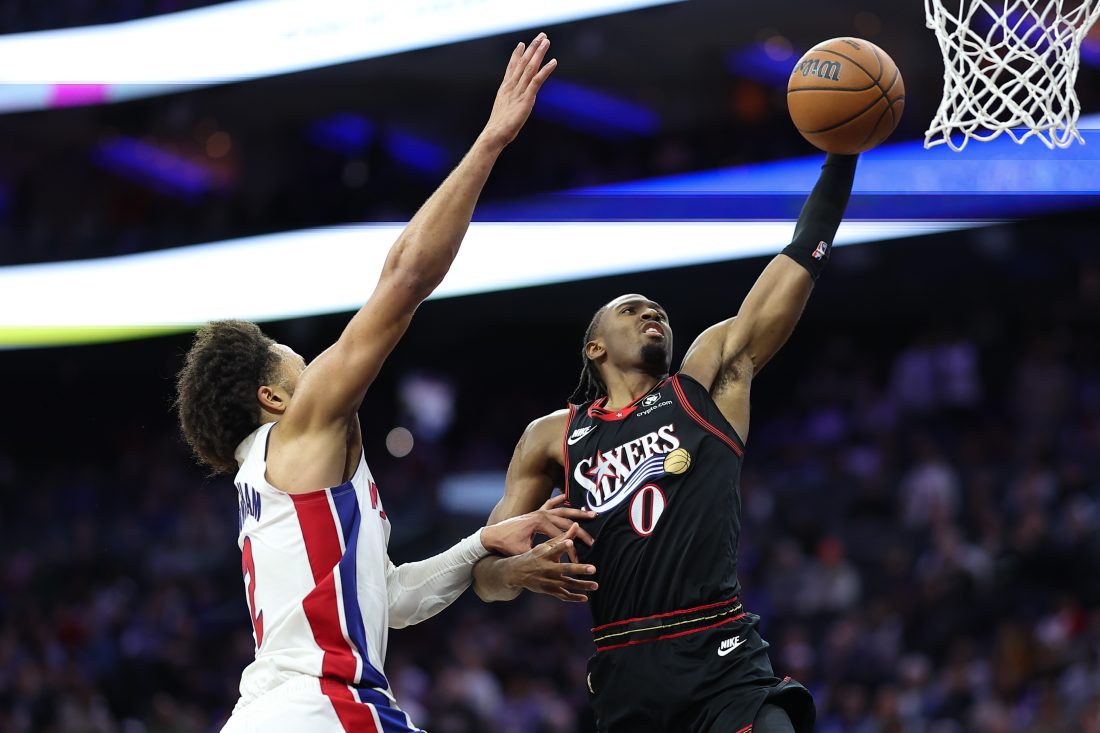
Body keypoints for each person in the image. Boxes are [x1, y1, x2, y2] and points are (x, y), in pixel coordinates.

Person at [174, 35, 592, 733]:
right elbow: (404, 279)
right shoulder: (300, 430)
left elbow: (386, 599)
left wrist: (484, 546)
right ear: (272, 399)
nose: (314, 364)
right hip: (322, 709)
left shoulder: (282, 491)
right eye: (292, 359)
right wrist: (490, 142)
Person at [472, 152, 861, 732]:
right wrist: (519, 571)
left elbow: (797, 261)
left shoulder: (704, 384)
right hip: (626, 670)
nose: (651, 312)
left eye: (657, 310)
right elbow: (484, 577)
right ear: (595, 348)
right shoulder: (552, 436)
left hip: (721, 655)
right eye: (631, 311)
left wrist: (843, 156)